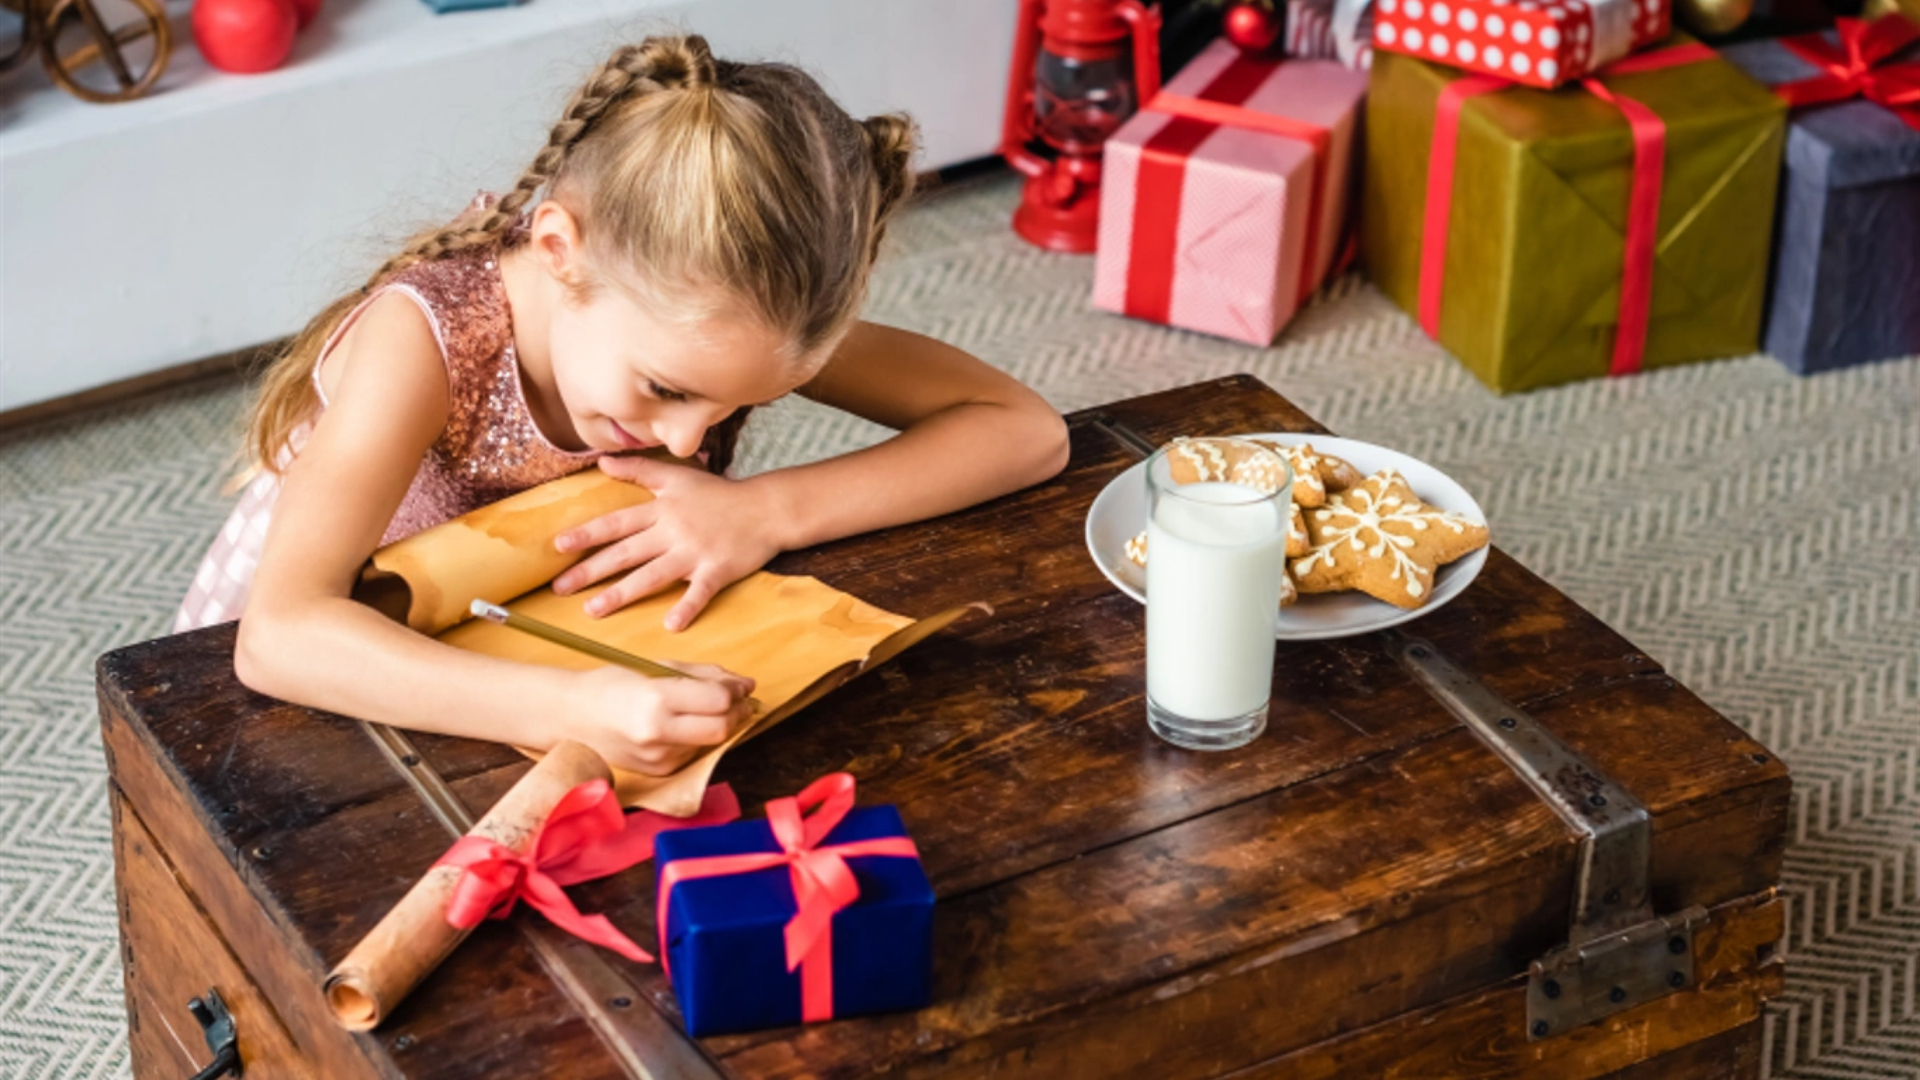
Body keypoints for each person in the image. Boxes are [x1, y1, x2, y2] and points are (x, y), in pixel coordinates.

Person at [179, 36, 1070, 777]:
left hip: (557, 638)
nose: (691, 437)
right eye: (669, 392)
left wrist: (767, 510)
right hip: (363, 672)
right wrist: (570, 708)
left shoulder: (718, 331)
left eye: (736, 406)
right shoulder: (423, 343)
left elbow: (1024, 433)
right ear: (560, 251)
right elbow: (281, 636)